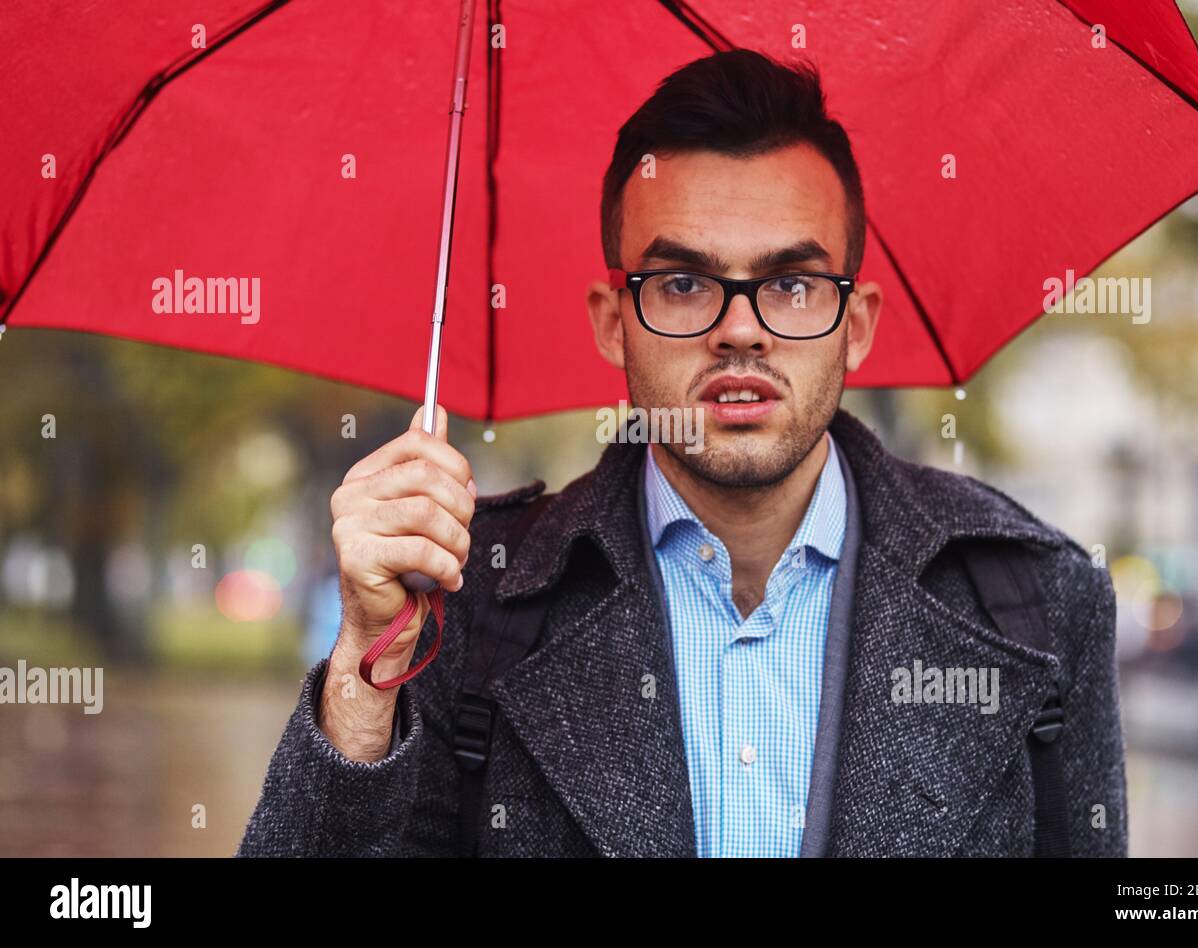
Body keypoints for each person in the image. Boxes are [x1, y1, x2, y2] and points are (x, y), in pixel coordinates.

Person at [237, 49, 1126, 858]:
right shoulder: (470, 600)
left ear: (856, 328)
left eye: (790, 283)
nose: (740, 331)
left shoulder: (1037, 603)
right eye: (684, 283)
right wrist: (366, 663)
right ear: (611, 321)